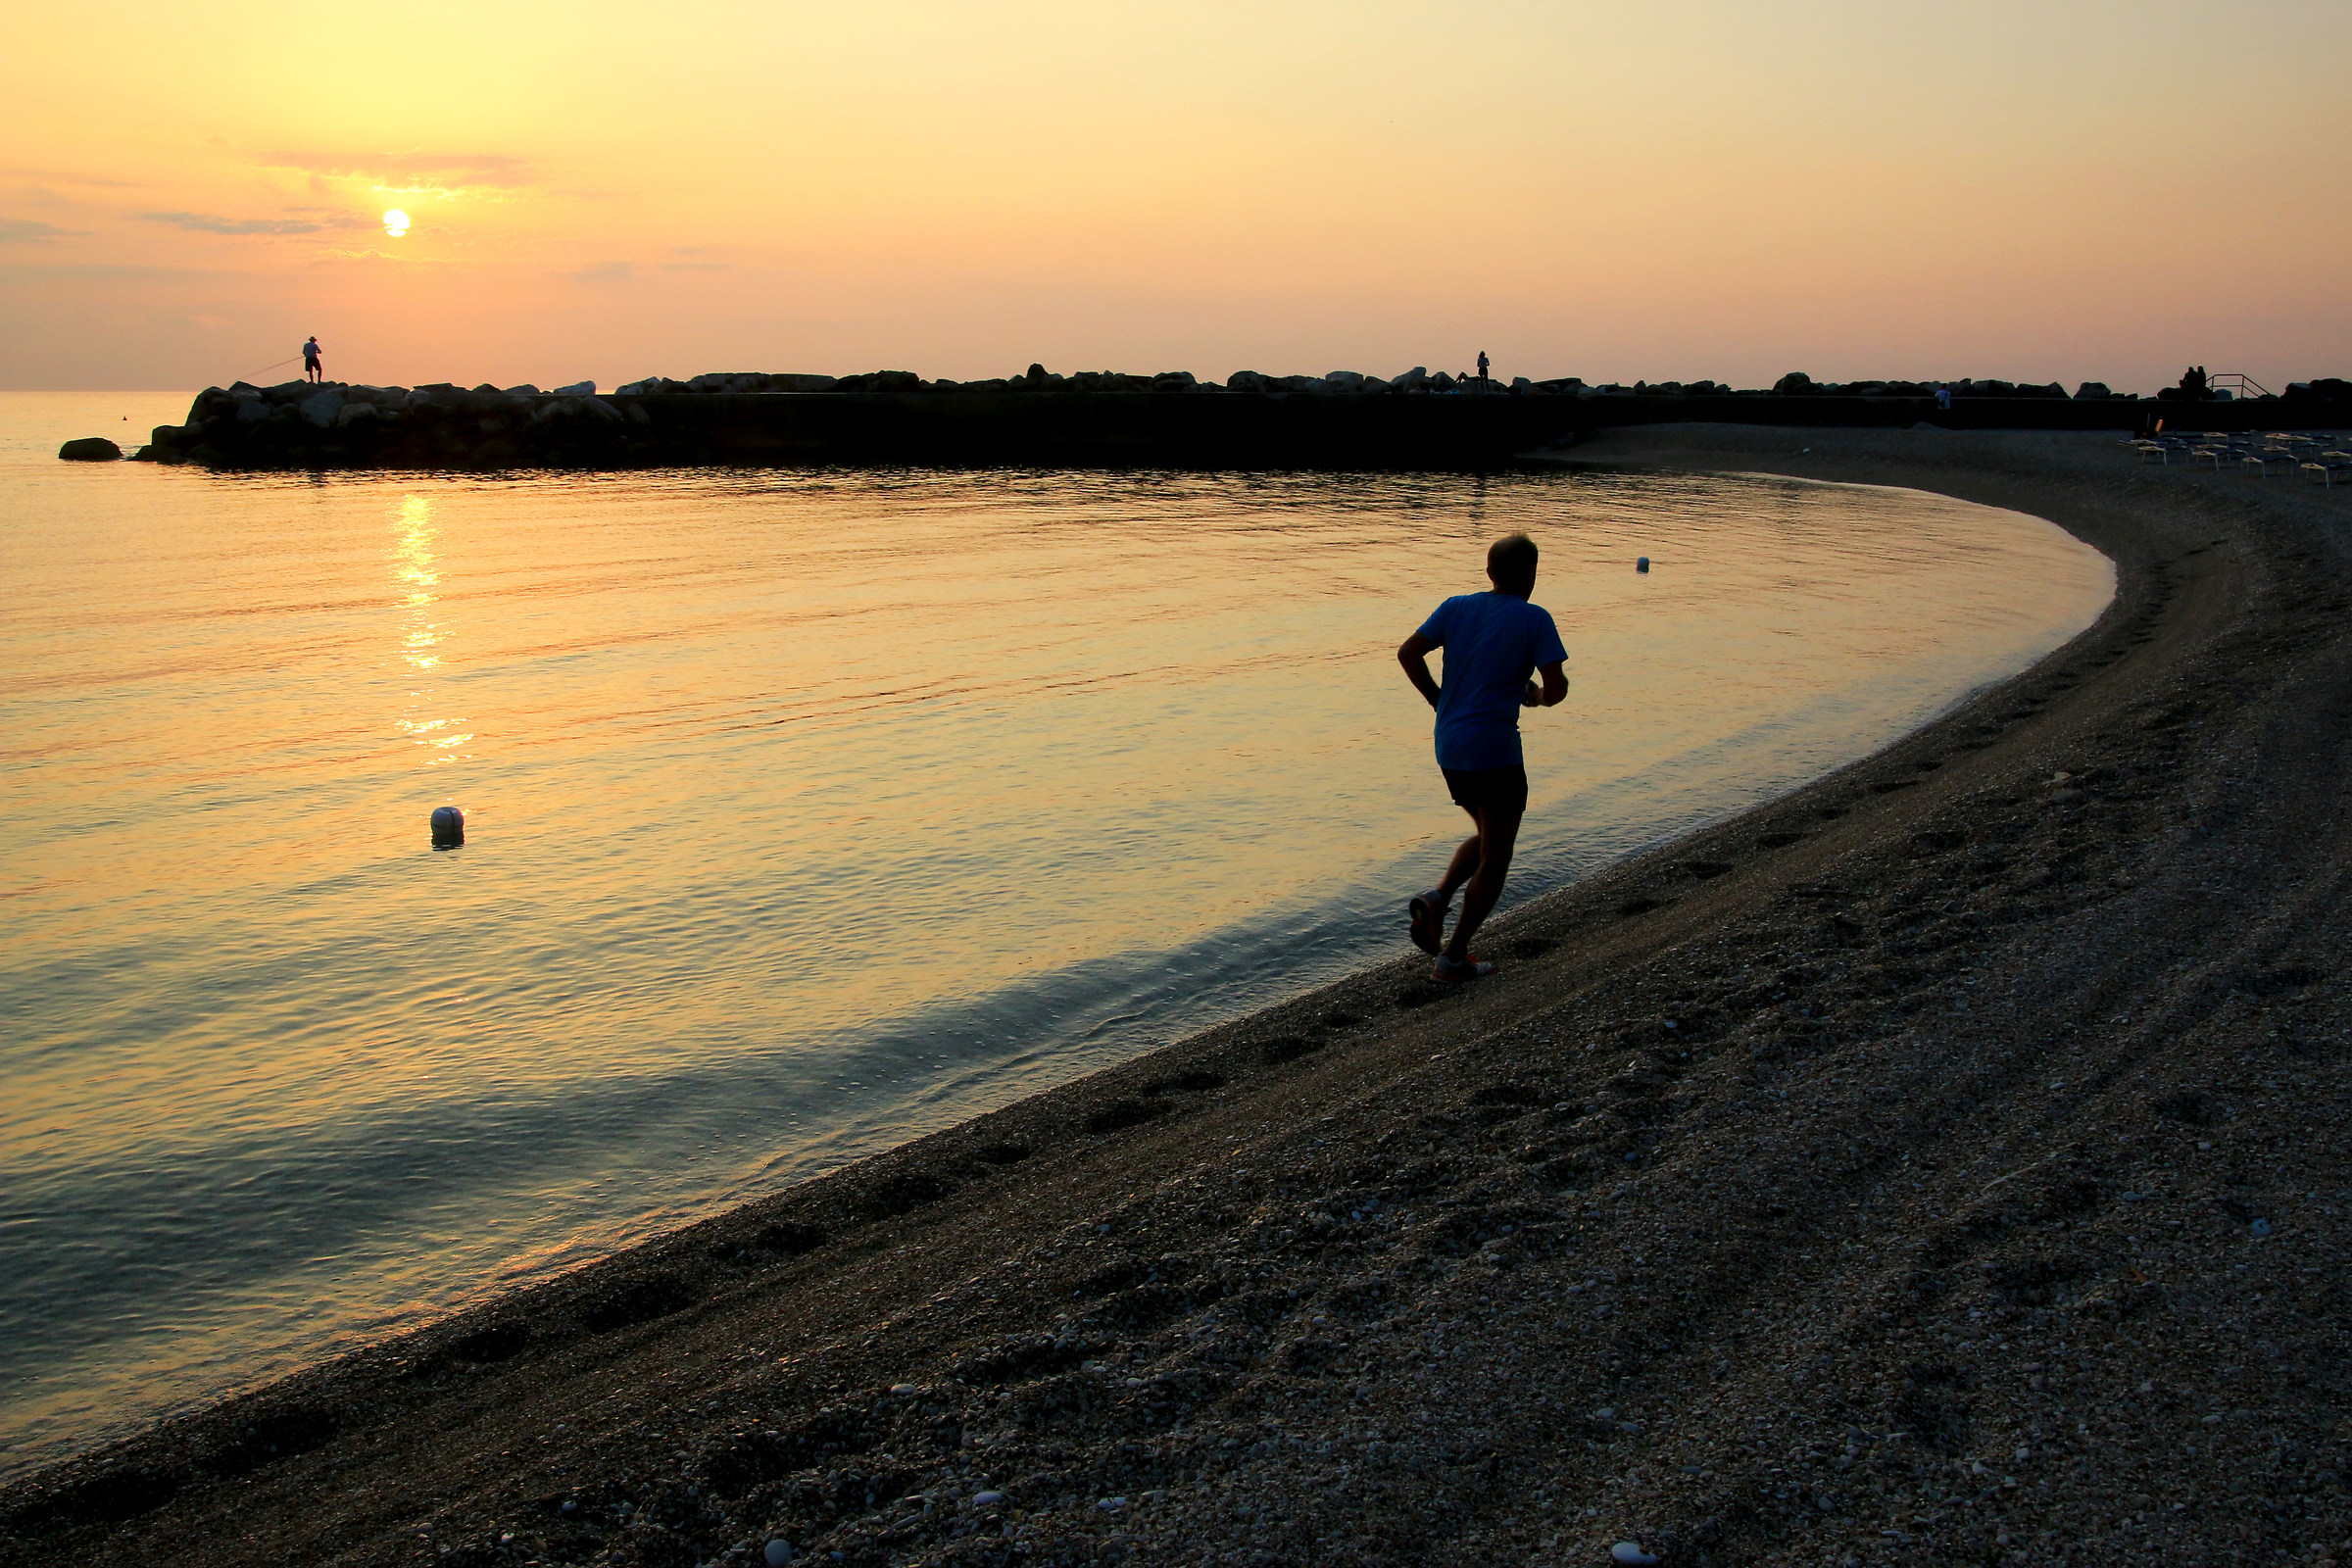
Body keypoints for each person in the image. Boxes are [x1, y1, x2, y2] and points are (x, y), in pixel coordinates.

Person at [1396, 533, 1569, 982]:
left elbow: (1408, 652)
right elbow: (1558, 687)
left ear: (1490, 573)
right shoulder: (1535, 619)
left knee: (1488, 832)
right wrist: (1537, 699)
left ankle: (1437, 900)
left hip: (1449, 746)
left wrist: (1438, 698)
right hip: (1494, 749)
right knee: (1498, 855)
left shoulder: (1455, 607)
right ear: (1532, 575)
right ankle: (1453, 959)